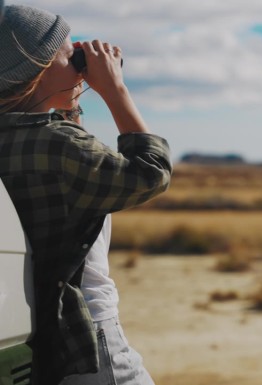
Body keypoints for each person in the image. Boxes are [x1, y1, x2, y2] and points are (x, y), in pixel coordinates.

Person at [0, 4, 171, 385]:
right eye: (68, 54)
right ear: (39, 68)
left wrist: (70, 96)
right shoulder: (58, 144)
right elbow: (151, 173)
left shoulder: (19, 139)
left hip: (37, 331)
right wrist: (115, 90)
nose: (81, 62)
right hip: (89, 332)